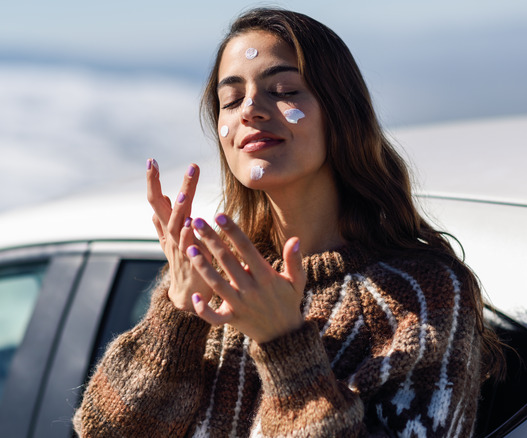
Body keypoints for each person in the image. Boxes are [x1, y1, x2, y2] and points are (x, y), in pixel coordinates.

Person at [73, 8, 501, 437]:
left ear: (341, 111)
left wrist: (284, 346)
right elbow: (104, 431)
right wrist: (178, 314)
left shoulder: (424, 295)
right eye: (231, 99)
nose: (251, 111)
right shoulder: (216, 277)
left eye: (284, 90)